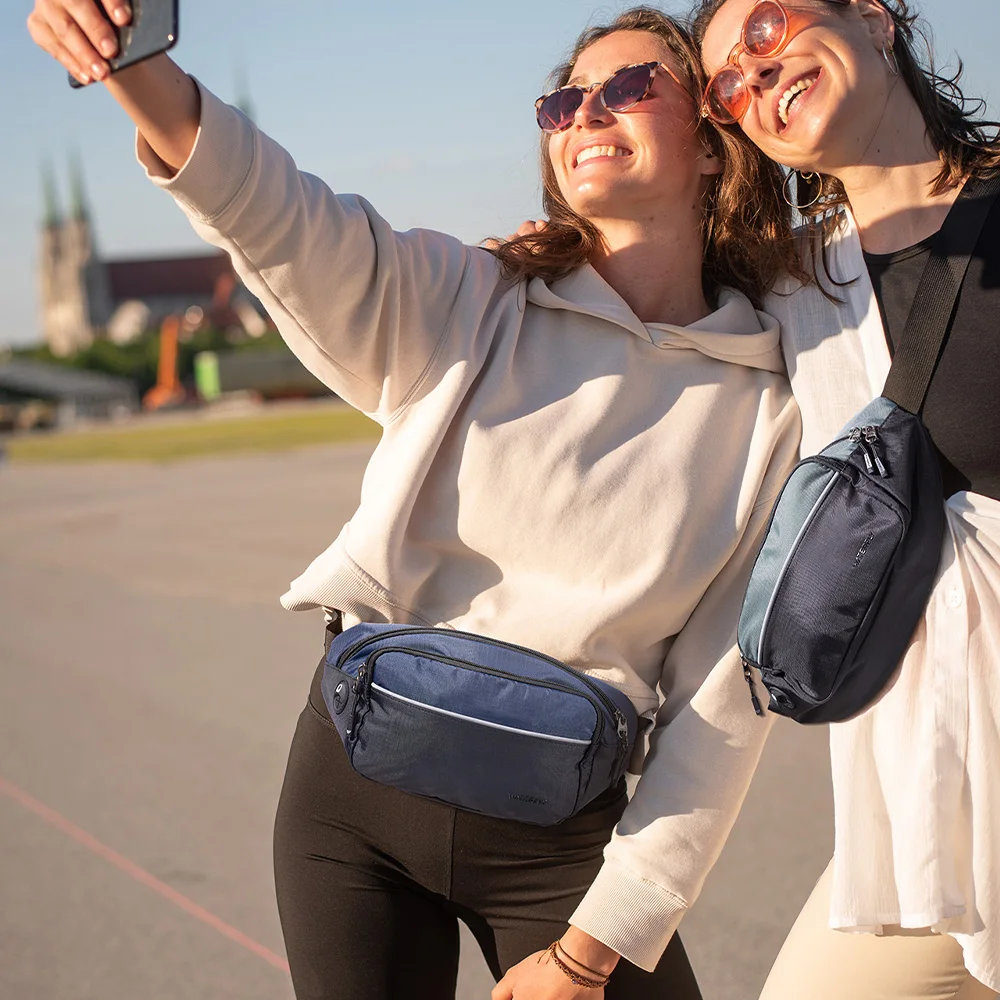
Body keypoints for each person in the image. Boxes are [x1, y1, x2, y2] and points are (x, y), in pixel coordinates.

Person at [27, 4, 804, 998]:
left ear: (709, 142)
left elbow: (722, 706)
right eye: (563, 100)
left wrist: (594, 947)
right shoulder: (466, 298)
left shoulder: (771, 401)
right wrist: (131, 58)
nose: (583, 115)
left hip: (560, 842)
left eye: (628, 87)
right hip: (351, 808)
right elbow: (275, 211)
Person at [693, 1, 1000, 997]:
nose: (754, 70)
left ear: (871, 19)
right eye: (725, 84)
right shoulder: (790, 292)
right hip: (924, 806)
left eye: (766, 23)